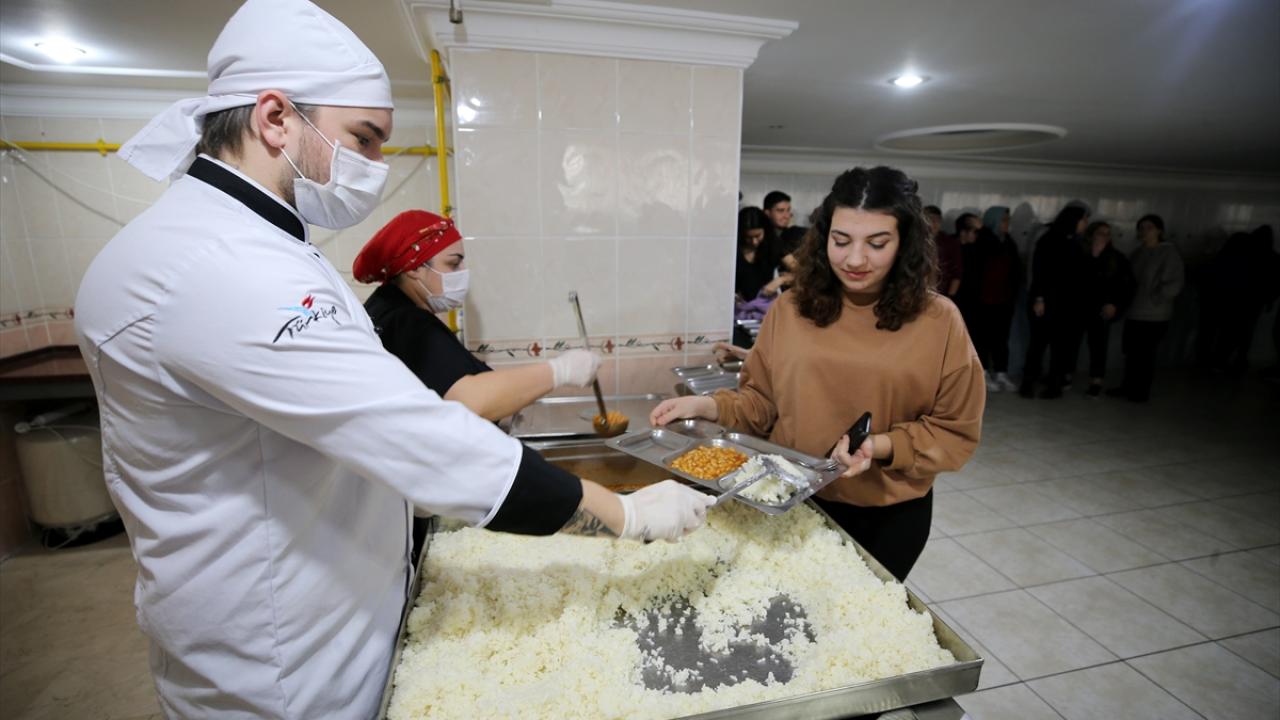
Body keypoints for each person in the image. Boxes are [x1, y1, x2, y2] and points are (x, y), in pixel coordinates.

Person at [71, 2, 714, 717]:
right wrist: (622, 516)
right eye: (364, 139)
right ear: (275, 118)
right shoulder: (220, 265)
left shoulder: (252, 249)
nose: (377, 166)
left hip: (324, 610)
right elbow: (417, 433)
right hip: (286, 663)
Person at [650, 167, 985, 582]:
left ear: (905, 245)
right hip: (791, 504)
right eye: (841, 241)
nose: (855, 259)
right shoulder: (791, 309)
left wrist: (880, 446)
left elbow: (954, 431)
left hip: (887, 518)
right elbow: (762, 403)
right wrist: (706, 405)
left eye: (876, 243)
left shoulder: (939, 321)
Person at [354, 209, 606, 562]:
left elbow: (454, 381)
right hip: (400, 511)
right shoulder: (408, 322)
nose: (461, 276)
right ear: (413, 266)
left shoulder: (388, 308)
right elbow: (470, 399)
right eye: (453, 264)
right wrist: (560, 370)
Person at [1110, 214, 1185, 402]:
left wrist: (1156, 297)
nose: (1144, 231)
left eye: (1149, 227)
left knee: (1145, 355)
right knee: (1132, 353)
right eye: (1141, 228)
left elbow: (1174, 283)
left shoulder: (1168, 252)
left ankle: (1140, 391)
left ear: (1159, 230)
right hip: (1135, 311)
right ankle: (1128, 386)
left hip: (1155, 314)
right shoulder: (1138, 252)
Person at [1020, 205, 1091, 398]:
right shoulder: (1050, 240)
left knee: (1060, 347)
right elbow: (1040, 272)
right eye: (1083, 220)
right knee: (1038, 344)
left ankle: (1054, 384)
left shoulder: (1076, 243)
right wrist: (1040, 298)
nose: (1085, 224)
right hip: (1047, 301)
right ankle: (1028, 382)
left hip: (1067, 305)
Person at [1079, 221, 1135, 396]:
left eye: (1107, 233)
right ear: (1092, 235)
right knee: (1070, 342)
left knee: (1098, 345)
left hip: (1101, 308)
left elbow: (1126, 285)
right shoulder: (1082, 254)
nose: (1104, 237)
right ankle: (1064, 374)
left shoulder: (1116, 258)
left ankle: (1096, 379)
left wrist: (1115, 304)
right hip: (1080, 306)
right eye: (1101, 233)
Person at [970, 206, 1022, 392]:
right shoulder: (983, 240)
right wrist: (983, 229)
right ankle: (982, 373)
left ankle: (1001, 372)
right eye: (1004, 220)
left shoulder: (1009, 242)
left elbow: (1016, 270)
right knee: (982, 338)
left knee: (1001, 339)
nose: (1007, 224)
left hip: (1003, 300)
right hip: (983, 300)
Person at [735, 206, 790, 347]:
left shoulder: (773, 245)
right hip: (738, 314)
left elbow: (804, 272)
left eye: (758, 236)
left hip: (765, 313)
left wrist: (780, 280)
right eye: (749, 237)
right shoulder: (732, 248)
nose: (754, 242)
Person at [927, 205, 962, 300]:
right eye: (930, 219)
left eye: (937, 220)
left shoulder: (949, 242)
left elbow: (957, 273)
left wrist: (950, 297)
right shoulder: (914, 240)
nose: (934, 223)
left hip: (941, 293)